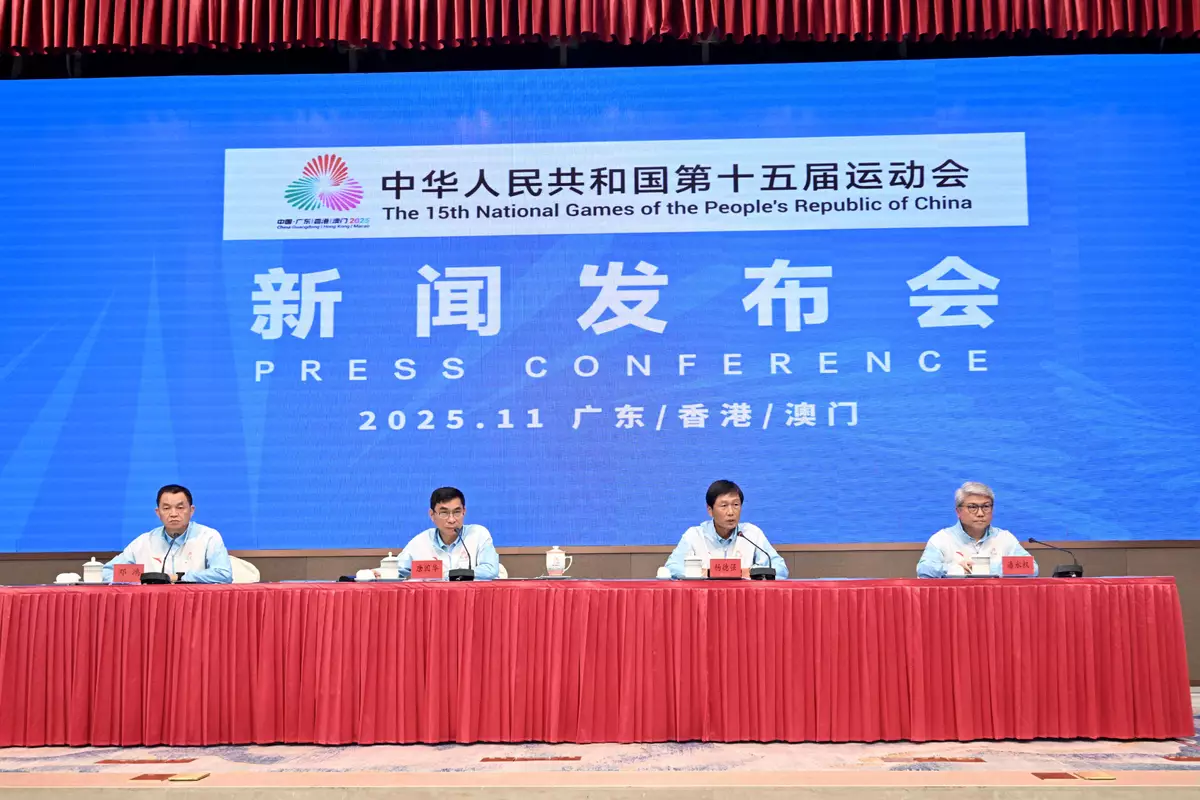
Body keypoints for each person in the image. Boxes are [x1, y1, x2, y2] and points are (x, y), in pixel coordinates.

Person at [103, 485, 233, 583]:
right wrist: (141, 579)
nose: (173, 514)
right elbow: (109, 571)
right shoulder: (144, 541)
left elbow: (223, 574)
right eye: (166, 508)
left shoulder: (208, 537)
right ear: (158, 513)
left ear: (191, 511)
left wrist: (179, 577)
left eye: (180, 508)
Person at [664, 480, 788, 579]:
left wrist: (750, 572)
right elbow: (671, 568)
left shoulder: (751, 534)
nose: (731, 512)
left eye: (736, 505)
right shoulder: (694, 535)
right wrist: (705, 573)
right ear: (710, 510)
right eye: (724, 506)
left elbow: (780, 569)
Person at [916, 481, 1038, 577]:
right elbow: (924, 570)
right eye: (972, 507)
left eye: (986, 506)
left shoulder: (1004, 538)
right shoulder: (941, 539)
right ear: (958, 511)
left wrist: (985, 569)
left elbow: (1032, 568)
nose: (980, 513)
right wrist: (956, 569)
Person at [397, 487, 499, 580]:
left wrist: (448, 575)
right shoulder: (421, 542)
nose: (451, 520)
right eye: (444, 513)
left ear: (464, 511)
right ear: (432, 515)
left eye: (457, 512)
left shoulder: (478, 534)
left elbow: (490, 569)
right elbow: (397, 570)